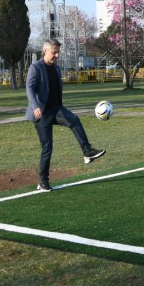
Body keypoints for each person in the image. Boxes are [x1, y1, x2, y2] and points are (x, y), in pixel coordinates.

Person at [26, 38, 105, 191]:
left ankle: (87, 152)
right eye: (54, 52)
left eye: (58, 53)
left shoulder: (56, 68)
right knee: (47, 148)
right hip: (41, 113)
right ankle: (43, 182)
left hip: (56, 109)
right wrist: (35, 106)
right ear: (45, 51)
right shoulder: (35, 67)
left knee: (74, 120)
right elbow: (30, 88)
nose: (56, 56)